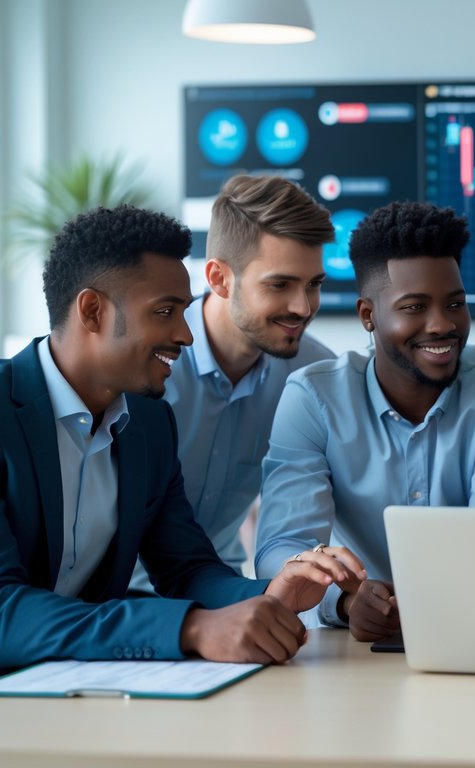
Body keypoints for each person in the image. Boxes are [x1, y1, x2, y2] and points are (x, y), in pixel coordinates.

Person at [0, 206, 365, 716]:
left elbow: (186, 569)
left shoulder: (148, 422)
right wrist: (192, 627)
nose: (186, 335)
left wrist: (266, 594)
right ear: (92, 311)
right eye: (166, 312)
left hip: (63, 691)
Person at [255, 201, 475, 642]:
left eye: (455, 303)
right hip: (353, 650)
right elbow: (282, 549)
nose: (442, 325)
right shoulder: (312, 398)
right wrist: (346, 603)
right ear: (368, 315)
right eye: (414, 307)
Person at [128, 175, 335, 593]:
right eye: (280, 285)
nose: (303, 307)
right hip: (116, 600)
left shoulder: (314, 377)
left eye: (313, 284)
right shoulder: (143, 365)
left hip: (223, 594)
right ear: (219, 279)